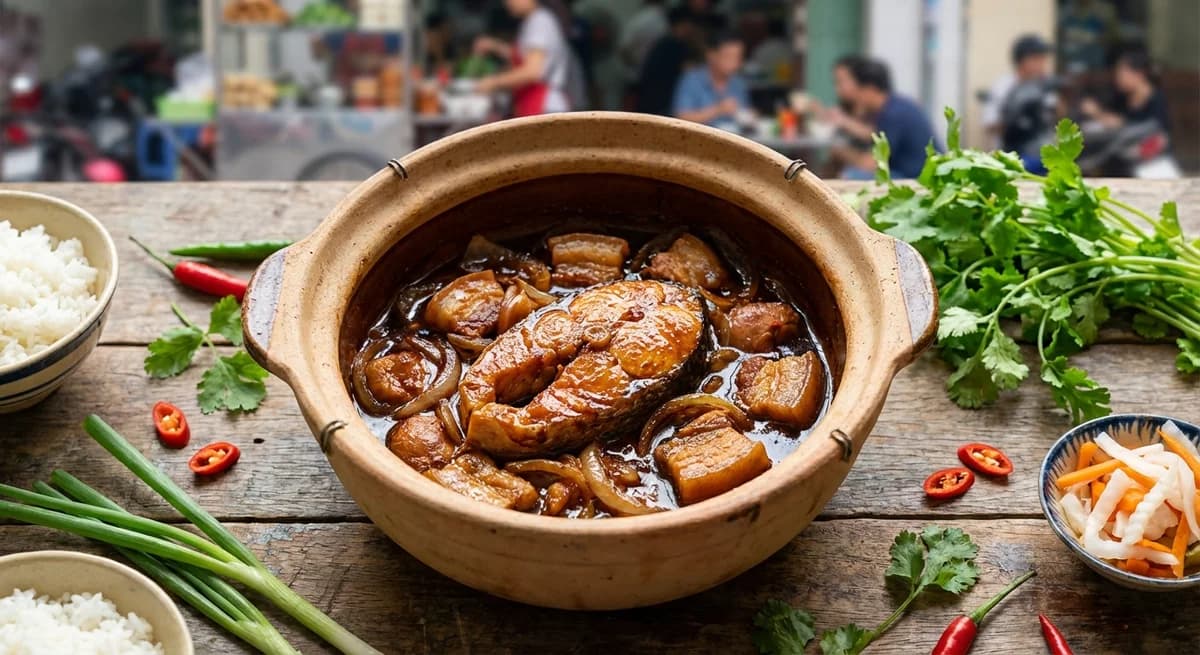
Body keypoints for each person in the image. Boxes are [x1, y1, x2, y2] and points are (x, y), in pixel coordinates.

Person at [829, 57, 937, 179]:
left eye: (857, 92)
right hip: (914, 172)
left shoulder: (895, 115)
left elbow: (870, 164)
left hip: (918, 178)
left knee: (850, 175)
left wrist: (842, 152)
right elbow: (872, 133)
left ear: (869, 89)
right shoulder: (895, 105)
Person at [474, 0, 573, 116]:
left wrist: (493, 82)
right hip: (533, 104)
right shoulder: (531, 20)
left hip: (545, 105)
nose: (507, 3)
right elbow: (522, 55)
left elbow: (532, 71)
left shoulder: (540, 22)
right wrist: (495, 46)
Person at [983, 34, 1053, 148]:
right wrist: (1016, 119)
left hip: (1042, 154)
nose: (1042, 63)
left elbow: (1052, 118)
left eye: (1043, 58)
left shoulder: (1044, 85)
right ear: (1021, 60)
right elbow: (990, 123)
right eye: (1036, 58)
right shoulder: (1003, 86)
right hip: (1011, 154)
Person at [672, 31, 750, 128]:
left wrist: (751, 116)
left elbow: (744, 113)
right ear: (711, 55)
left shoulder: (738, 82)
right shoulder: (692, 80)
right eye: (728, 56)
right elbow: (680, 119)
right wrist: (718, 109)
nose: (735, 63)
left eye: (738, 57)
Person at [1081, 50, 1171, 135]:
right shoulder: (1121, 98)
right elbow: (1110, 119)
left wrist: (1098, 113)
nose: (1117, 79)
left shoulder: (1157, 100)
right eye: (1116, 74)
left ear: (1139, 74)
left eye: (1121, 74)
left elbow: (1155, 130)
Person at [635, 8, 700, 116]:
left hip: (650, 98)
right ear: (685, 25)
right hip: (660, 102)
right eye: (691, 25)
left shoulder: (662, 42)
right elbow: (686, 69)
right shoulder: (675, 45)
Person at [618, 0, 668, 82]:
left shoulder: (639, 19)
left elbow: (623, 47)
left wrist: (633, 63)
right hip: (655, 77)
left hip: (635, 73)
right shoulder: (665, 22)